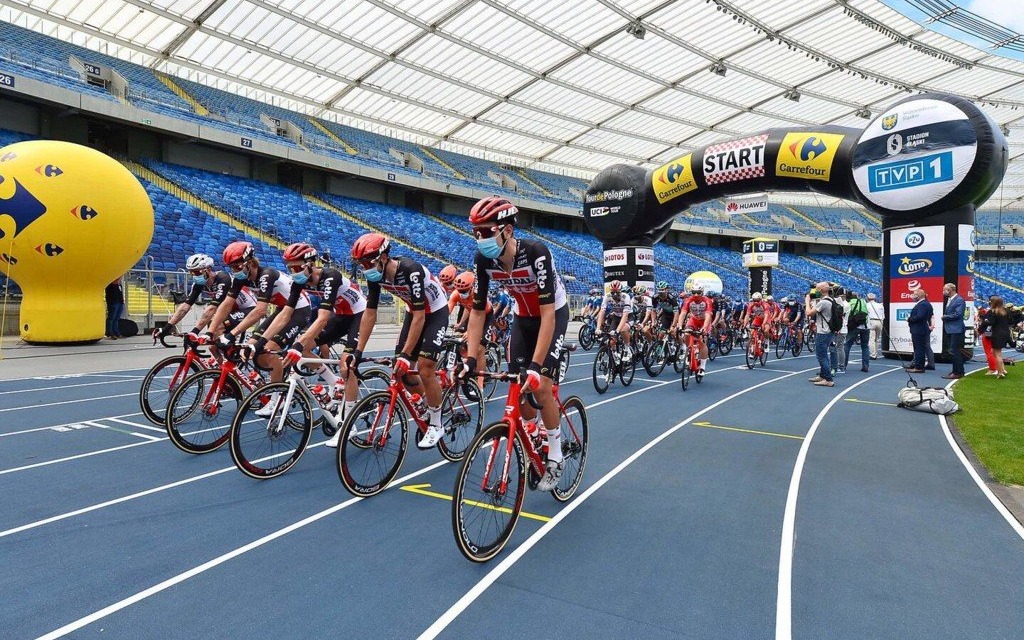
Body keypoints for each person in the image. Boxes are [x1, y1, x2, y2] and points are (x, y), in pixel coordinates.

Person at [458, 196, 570, 492]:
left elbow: (548, 313)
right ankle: (532, 432)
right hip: (523, 318)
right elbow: (477, 311)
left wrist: (536, 366)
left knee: (541, 384)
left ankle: (556, 455)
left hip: (552, 314)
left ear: (507, 230)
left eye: (485, 231)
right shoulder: (484, 260)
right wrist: (470, 358)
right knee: (517, 388)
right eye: (475, 232)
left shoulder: (536, 253)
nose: (479, 238)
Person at [350, 232, 450, 449]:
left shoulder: (410, 270)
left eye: (368, 262)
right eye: (361, 264)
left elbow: (421, 315)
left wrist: (406, 354)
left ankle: (436, 423)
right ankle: (428, 402)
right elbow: (369, 313)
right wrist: (357, 351)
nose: (365, 268)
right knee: (401, 372)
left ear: (384, 257)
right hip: (413, 312)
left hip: (434, 311)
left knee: (424, 368)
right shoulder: (375, 274)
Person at [278, 243, 366, 446]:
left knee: (347, 365)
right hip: (341, 315)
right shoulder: (299, 281)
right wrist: (263, 340)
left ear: (310, 264)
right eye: (290, 268)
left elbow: (323, 318)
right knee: (307, 348)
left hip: (358, 315)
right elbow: (285, 314)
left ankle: (349, 422)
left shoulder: (330, 277)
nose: (293, 272)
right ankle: (334, 382)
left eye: (297, 267)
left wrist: (298, 345)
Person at [209, 241, 312, 415]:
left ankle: (276, 399)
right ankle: (280, 375)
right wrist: (210, 332)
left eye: (237, 266)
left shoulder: (266, 275)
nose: (234, 270)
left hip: (299, 310)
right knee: (251, 345)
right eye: (231, 267)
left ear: (249, 262)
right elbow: (227, 304)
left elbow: (260, 310)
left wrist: (232, 334)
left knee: (269, 349)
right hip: (282, 309)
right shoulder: (241, 278)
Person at [157, 253, 257, 343]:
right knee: (212, 345)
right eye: (191, 273)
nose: (195, 276)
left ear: (208, 269)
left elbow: (212, 308)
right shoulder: (199, 284)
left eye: (197, 272)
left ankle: (235, 354)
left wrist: (195, 331)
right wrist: (166, 327)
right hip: (230, 310)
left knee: (218, 326)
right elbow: (185, 307)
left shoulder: (223, 278)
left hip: (249, 308)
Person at [676, 282, 714, 374]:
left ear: (702, 292)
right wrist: (680, 325)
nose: (696, 295)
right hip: (693, 320)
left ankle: (702, 367)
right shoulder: (688, 300)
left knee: (702, 341)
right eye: (694, 292)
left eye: (698, 292)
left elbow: (708, 316)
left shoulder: (707, 300)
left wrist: (704, 328)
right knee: (686, 333)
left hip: (704, 321)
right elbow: (683, 313)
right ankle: (688, 349)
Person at [806, 282, 837, 387]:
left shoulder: (823, 302)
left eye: (817, 289)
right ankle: (823, 375)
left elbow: (809, 313)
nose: (815, 291)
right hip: (828, 330)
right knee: (821, 354)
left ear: (821, 291)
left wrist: (807, 301)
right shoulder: (831, 299)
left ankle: (828, 379)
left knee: (821, 355)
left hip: (823, 332)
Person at [595, 280, 634, 362]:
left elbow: (625, 315)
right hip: (616, 317)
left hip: (628, 317)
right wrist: (598, 328)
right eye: (613, 293)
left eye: (617, 292)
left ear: (621, 291)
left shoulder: (626, 297)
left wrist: (617, 330)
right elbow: (602, 312)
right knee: (611, 340)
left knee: (623, 330)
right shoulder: (607, 296)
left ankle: (627, 349)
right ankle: (615, 354)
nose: (615, 295)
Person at [981, 295, 1011, 378]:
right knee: (999, 354)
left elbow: (990, 323)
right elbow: (1011, 321)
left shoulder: (993, 312)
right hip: (1005, 333)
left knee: (995, 353)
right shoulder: (1006, 311)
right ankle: (1002, 370)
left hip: (995, 334)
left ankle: (998, 372)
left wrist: (985, 321)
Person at [941, 283, 966, 379]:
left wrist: (945, 317)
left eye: (945, 289)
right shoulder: (950, 299)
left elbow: (958, 314)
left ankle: (958, 372)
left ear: (950, 290)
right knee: (953, 351)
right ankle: (957, 370)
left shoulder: (959, 300)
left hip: (956, 329)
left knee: (954, 351)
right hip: (951, 329)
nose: (943, 291)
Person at [905, 288, 933, 374]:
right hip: (921, 329)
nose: (913, 296)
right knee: (919, 348)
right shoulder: (926, 304)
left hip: (919, 329)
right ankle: (919, 365)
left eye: (914, 294)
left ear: (919, 295)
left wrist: (909, 319)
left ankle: (919, 367)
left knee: (918, 349)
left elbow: (920, 317)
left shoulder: (922, 304)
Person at [844, 291, 870, 372]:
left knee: (847, 345)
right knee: (865, 346)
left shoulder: (849, 303)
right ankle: (865, 366)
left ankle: (843, 365)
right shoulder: (863, 301)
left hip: (854, 326)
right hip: (866, 326)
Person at [976, 306, 998, 375]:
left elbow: (986, 323)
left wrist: (979, 331)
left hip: (988, 333)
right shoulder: (1002, 312)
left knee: (989, 352)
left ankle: (992, 369)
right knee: (997, 352)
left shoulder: (991, 312)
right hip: (997, 333)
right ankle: (1000, 368)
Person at [833, 292, 850, 374]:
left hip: (841, 328)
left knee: (839, 347)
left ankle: (841, 367)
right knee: (839, 347)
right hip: (842, 328)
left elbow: (840, 316)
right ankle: (839, 366)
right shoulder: (846, 304)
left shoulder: (843, 305)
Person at [866, 292, 885, 359]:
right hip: (880, 321)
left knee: (871, 339)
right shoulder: (880, 305)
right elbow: (883, 316)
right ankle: (875, 353)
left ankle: (873, 354)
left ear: (868, 298)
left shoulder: (867, 305)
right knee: (877, 339)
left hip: (872, 321)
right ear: (875, 298)